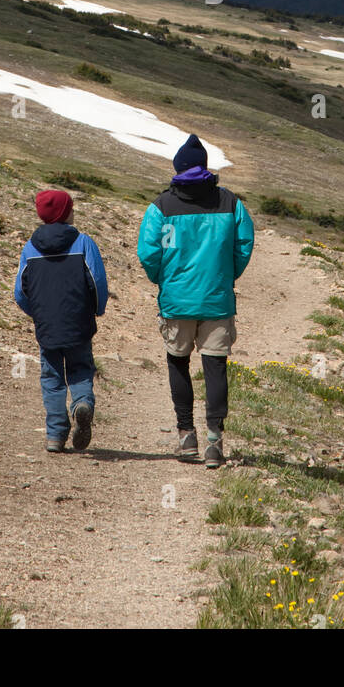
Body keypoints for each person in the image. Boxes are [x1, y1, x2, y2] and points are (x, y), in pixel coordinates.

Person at [137, 135, 254, 467]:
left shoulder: (161, 207)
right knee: (215, 367)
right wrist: (226, 275)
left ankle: (186, 436)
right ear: (204, 167)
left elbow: (149, 252)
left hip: (176, 301)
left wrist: (163, 279)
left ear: (178, 169)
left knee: (178, 362)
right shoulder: (231, 204)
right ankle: (215, 443)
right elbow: (243, 245)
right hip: (217, 299)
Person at [14, 188, 108, 453]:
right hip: (79, 322)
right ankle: (82, 403)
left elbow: (20, 292)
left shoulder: (30, 248)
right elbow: (97, 281)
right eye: (71, 208)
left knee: (52, 377)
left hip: (48, 326)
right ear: (65, 213)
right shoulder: (83, 242)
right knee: (79, 367)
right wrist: (98, 309)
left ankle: (55, 435)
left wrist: (38, 314)